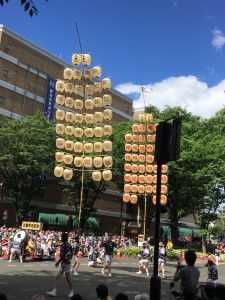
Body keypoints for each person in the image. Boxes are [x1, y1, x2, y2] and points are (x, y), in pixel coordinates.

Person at [46, 232, 74, 298]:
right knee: (59, 277)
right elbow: (63, 255)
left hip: (66, 263)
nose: (61, 238)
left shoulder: (67, 245)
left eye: (62, 237)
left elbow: (69, 256)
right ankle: (54, 291)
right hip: (64, 263)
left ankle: (71, 291)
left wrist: (64, 263)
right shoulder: (63, 245)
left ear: (64, 238)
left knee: (67, 278)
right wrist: (58, 262)